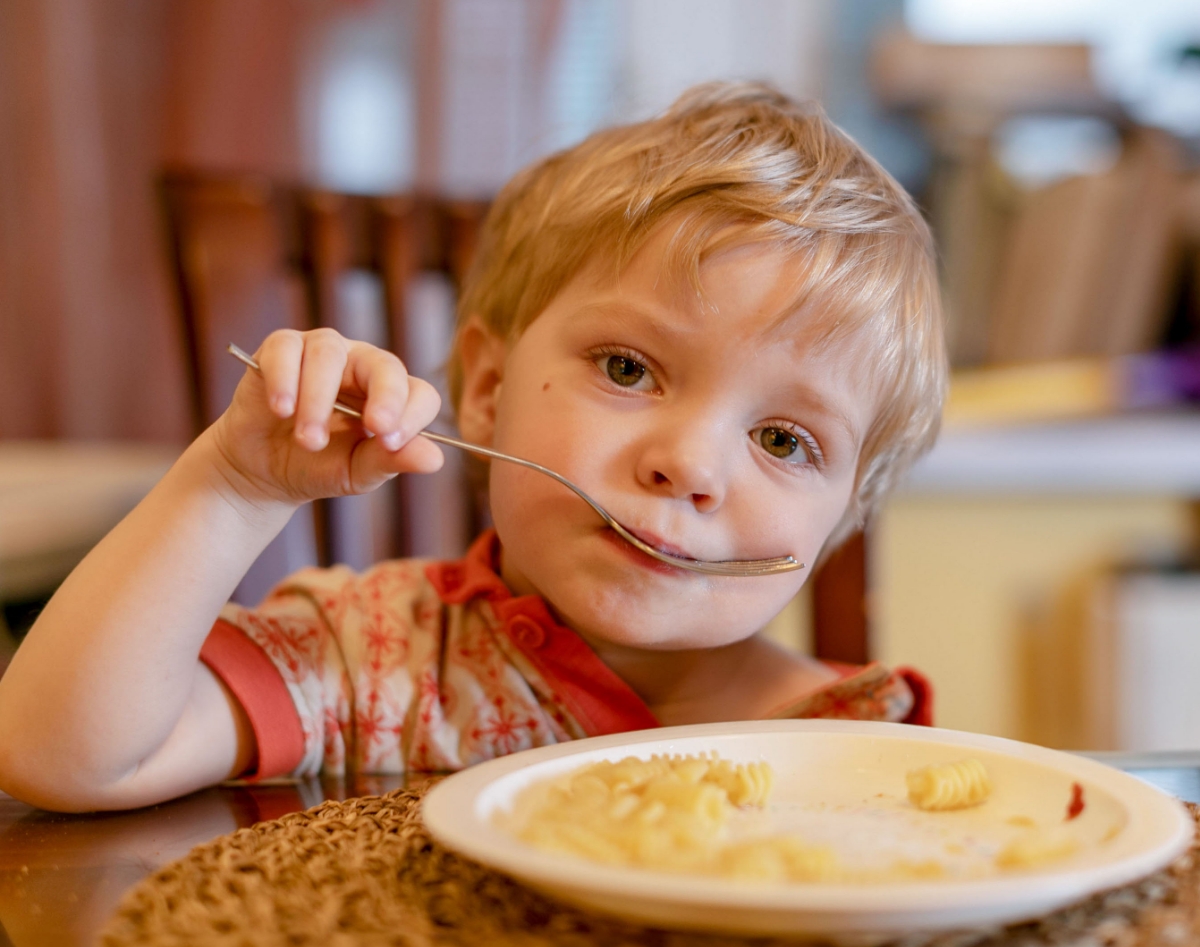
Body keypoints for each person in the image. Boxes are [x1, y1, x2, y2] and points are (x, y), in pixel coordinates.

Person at [0, 83, 945, 812]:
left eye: (784, 438)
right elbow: (62, 755)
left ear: (842, 516)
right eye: (627, 369)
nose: (689, 465)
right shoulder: (373, 662)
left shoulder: (859, 742)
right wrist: (233, 488)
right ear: (487, 390)